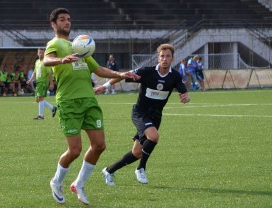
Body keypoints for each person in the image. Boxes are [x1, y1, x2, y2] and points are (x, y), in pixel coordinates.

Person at [43, 8, 139, 205]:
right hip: (69, 102)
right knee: (75, 150)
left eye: (69, 19)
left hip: (89, 101)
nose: (67, 22)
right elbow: (46, 60)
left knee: (99, 145)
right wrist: (61, 60)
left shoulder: (79, 46)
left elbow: (98, 70)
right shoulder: (55, 43)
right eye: (62, 20)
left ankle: (79, 183)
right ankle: (56, 181)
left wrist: (120, 75)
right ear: (54, 24)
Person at [94, 43, 190, 186]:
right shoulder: (147, 72)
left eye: (168, 56)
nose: (165, 59)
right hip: (140, 112)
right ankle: (141, 168)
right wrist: (105, 86)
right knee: (154, 136)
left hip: (156, 116)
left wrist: (185, 97)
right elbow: (123, 75)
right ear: (158, 58)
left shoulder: (175, 76)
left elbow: (184, 91)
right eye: (162, 56)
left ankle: (109, 170)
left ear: (172, 58)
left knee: (137, 152)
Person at [27, 48, 56, 120]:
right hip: (38, 82)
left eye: (42, 52)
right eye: (39, 52)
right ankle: (53, 108)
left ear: (45, 53)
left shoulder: (46, 62)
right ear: (37, 53)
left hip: (43, 82)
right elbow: (35, 72)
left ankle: (41, 116)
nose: (40, 53)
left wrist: (51, 83)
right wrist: (30, 80)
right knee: (38, 99)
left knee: (40, 98)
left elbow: (50, 73)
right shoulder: (37, 61)